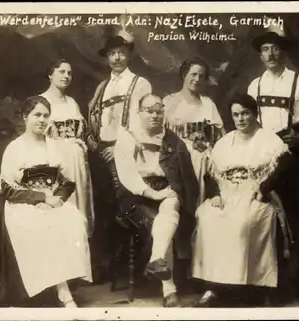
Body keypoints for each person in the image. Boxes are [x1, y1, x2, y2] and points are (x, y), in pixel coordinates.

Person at [192, 94, 292, 307]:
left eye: (245, 113)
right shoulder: (225, 141)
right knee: (207, 217)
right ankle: (213, 286)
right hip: (226, 192)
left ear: (254, 114)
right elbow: (211, 173)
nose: (240, 118)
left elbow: (280, 170)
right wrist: (215, 195)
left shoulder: (269, 139)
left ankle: (255, 285)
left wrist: (263, 191)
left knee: (241, 223)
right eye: (236, 115)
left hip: (256, 192)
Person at [0, 96, 92, 307]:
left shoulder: (54, 147)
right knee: (40, 225)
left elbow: (68, 182)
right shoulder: (15, 147)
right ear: (25, 117)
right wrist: (40, 198)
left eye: (46, 116)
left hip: (51, 201)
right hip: (22, 204)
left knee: (74, 221)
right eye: (36, 115)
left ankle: (63, 286)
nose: (42, 120)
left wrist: (55, 198)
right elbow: (7, 189)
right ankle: (63, 293)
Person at [247, 29, 299, 292]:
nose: (270, 53)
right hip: (264, 153)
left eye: (275, 48)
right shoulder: (255, 85)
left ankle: (298, 268)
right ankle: (269, 271)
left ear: (283, 51)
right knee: (263, 207)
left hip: (293, 153)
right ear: (260, 54)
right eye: (266, 49)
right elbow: (250, 123)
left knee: (296, 211)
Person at [113, 93, 199, 307]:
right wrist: (154, 194)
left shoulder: (172, 139)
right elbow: (128, 177)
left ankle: (157, 262)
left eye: (159, 111)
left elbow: (187, 177)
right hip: (136, 195)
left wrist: (179, 196)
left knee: (170, 210)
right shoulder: (128, 137)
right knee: (163, 224)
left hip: (166, 190)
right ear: (139, 113)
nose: (154, 115)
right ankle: (168, 289)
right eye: (149, 111)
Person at [86, 31, 152, 282]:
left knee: (128, 206)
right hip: (101, 150)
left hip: (126, 150)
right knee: (103, 207)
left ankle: (131, 267)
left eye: (121, 53)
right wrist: (94, 142)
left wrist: (122, 146)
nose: (116, 58)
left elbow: (143, 121)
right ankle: (106, 266)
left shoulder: (140, 83)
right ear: (107, 58)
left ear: (129, 55)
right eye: (112, 54)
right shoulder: (102, 86)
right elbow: (95, 118)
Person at [41, 58, 95, 237]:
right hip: (55, 160)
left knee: (79, 204)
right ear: (50, 74)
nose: (66, 76)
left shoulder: (72, 102)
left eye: (69, 73)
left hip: (77, 162)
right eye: (61, 71)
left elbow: (82, 133)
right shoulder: (42, 102)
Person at [163, 57, 225, 206]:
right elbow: (160, 135)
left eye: (201, 76)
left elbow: (220, 136)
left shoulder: (208, 104)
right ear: (184, 74)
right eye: (193, 74)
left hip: (205, 160)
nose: (197, 79)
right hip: (177, 160)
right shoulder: (170, 102)